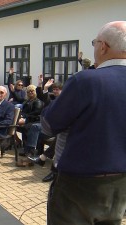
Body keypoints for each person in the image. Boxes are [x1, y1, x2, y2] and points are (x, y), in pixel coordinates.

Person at [42, 21, 126, 225]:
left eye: (94, 43)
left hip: (81, 182)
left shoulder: (86, 80)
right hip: (121, 183)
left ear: (103, 46)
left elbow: (48, 125)